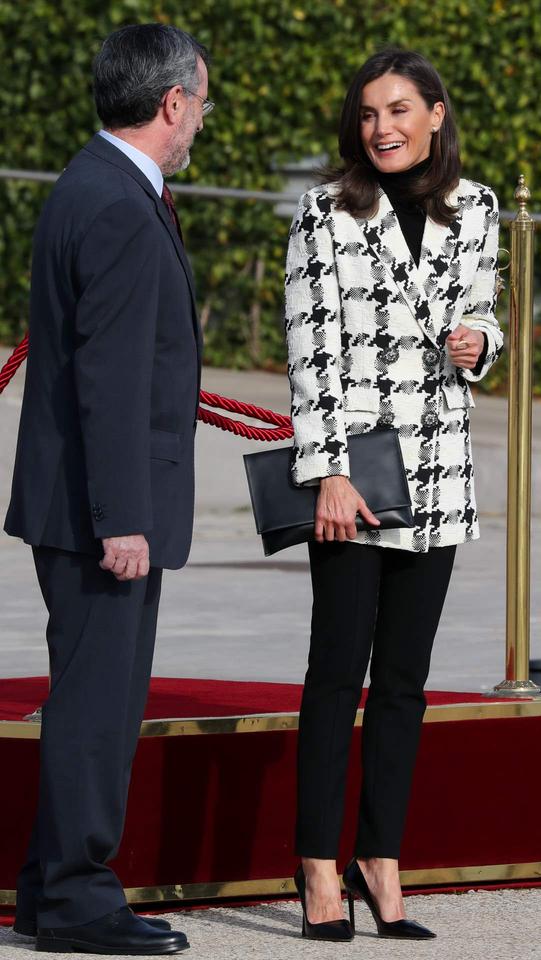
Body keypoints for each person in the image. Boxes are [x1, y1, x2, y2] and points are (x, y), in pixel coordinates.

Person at [285, 47, 503, 941]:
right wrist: (327, 467)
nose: (382, 127)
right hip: (357, 470)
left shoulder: (477, 206)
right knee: (337, 675)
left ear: (437, 115)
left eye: (400, 109)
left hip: (441, 462)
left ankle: (381, 856)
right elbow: (310, 347)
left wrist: (477, 344)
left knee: (406, 682)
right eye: (369, 113)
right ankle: (315, 866)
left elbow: (487, 310)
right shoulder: (325, 210)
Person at [4, 23, 212, 956]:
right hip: (102, 514)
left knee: (93, 697)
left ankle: (55, 890)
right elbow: (113, 377)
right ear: (171, 103)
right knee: (98, 707)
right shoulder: (123, 206)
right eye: (201, 101)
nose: (202, 117)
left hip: (78, 502)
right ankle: (81, 900)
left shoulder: (89, 183)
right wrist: (123, 518)